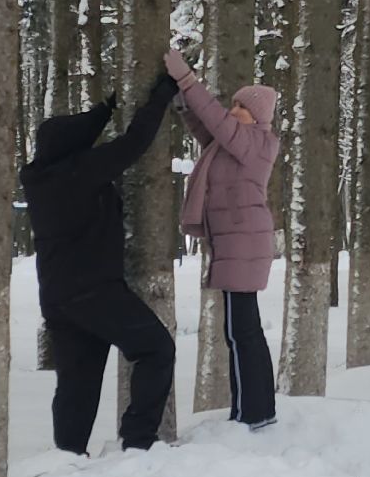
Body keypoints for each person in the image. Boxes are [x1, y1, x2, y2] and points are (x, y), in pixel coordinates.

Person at [19, 70, 180, 455]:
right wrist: (161, 95)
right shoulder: (80, 172)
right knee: (157, 349)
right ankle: (139, 443)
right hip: (94, 291)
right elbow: (134, 143)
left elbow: (75, 132)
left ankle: (68, 457)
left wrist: (106, 108)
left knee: (78, 383)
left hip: (58, 297)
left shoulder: (41, 177)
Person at [167, 49, 281, 430]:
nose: (233, 111)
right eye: (232, 105)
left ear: (257, 116)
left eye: (240, 107)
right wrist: (184, 106)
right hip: (239, 243)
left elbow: (216, 122)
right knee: (243, 331)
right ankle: (255, 409)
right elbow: (208, 131)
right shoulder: (241, 144)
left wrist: (188, 80)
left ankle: (252, 413)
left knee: (240, 332)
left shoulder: (255, 142)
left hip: (242, 244)